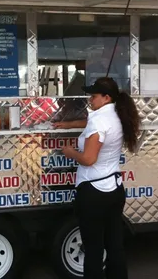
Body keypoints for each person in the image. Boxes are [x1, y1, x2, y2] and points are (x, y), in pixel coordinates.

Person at [53, 77, 140, 279]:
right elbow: (91, 122)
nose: (90, 100)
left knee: (93, 249)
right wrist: (68, 124)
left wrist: (70, 152)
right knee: (114, 245)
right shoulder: (116, 115)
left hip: (93, 194)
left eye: (93, 96)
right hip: (114, 189)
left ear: (106, 97)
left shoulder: (100, 121)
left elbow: (89, 159)